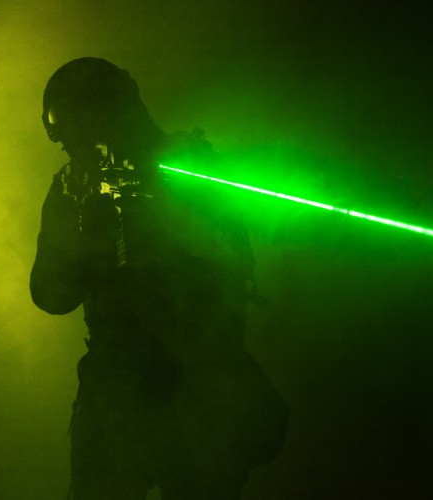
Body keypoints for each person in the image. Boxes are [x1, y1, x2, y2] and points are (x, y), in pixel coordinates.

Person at [30, 57, 288, 499]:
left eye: (77, 123)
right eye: (63, 128)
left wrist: (157, 213)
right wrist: (84, 233)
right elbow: (51, 295)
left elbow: (231, 261)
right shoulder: (75, 189)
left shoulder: (187, 168)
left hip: (199, 390)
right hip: (118, 393)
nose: (71, 143)